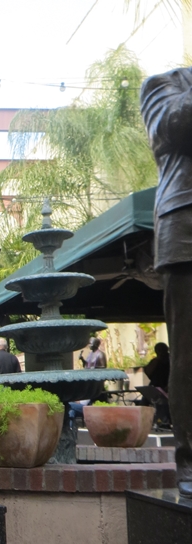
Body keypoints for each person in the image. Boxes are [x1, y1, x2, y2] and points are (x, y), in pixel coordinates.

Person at [141, 67, 192, 495]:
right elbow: (173, 128)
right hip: (186, 232)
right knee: (189, 358)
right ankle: (190, 461)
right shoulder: (166, 85)